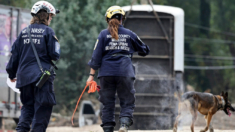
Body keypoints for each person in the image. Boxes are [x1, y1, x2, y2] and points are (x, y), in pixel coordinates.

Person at [87, 6, 150, 132]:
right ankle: (124, 125)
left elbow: (96, 58)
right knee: (127, 100)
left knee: (108, 103)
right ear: (122, 19)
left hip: (106, 74)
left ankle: (108, 129)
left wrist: (91, 76)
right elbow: (145, 50)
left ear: (107, 19)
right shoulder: (129, 34)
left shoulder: (103, 35)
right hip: (125, 72)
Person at [6, 1, 60, 132]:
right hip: (42, 79)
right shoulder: (48, 31)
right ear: (46, 16)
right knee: (43, 109)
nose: (51, 19)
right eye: (51, 16)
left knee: (27, 108)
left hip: (24, 79)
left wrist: (11, 74)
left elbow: (14, 57)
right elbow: (55, 55)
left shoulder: (23, 32)